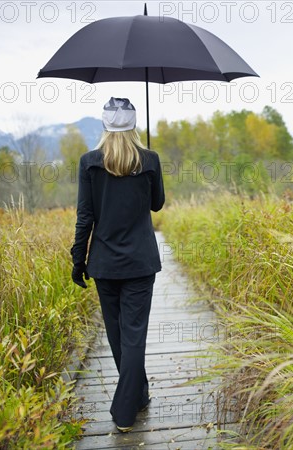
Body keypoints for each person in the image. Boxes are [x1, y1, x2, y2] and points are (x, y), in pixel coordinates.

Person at [70, 97, 165, 432]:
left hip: (105, 264)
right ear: (134, 125)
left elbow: (85, 217)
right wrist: (147, 169)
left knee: (118, 336)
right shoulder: (149, 159)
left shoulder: (89, 162)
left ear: (105, 124)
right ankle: (135, 398)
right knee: (133, 336)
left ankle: (124, 409)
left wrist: (77, 259)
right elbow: (157, 204)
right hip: (140, 262)